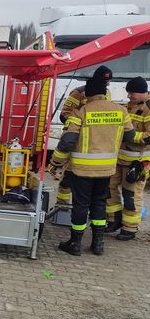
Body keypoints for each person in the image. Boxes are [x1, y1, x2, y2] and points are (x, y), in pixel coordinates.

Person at [48, 78, 149, 256]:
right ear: (105, 92)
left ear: (87, 94)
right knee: (99, 204)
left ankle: (75, 243)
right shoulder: (121, 111)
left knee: (81, 206)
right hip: (108, 169)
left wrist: (56, 163)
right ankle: (98, 244)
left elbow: (67, 142)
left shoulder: (81, 111)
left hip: (83, 169)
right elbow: (131, 135)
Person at [56, 65, 113, 205]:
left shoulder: (107, 93)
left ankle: (86, 207)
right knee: (68, 176)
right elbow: (64, 114)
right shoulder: (78, 92)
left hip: (96, 139)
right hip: (76, 137)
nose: (108, 84)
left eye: (108, 81)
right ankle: (62, 205)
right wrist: (79, 123)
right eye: (105, 81)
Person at [105, 76, 150, 240]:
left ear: (143, 92)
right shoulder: (127, 107)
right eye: (128, 92)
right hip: (119, 158)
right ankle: (113, 220)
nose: (129, 96)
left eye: (132, 93)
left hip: (138, 162)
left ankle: (130, 228)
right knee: (109, 188)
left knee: (131, 194)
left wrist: (132, 136)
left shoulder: (148, 108)